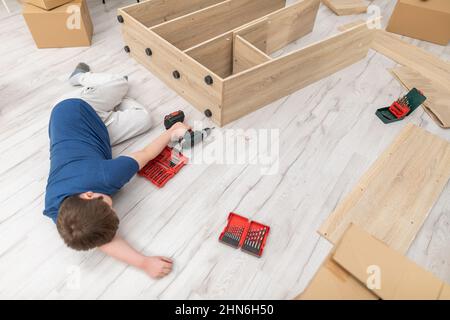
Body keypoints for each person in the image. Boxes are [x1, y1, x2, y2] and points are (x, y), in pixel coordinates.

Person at [44, 63, 190, 279]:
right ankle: (110, 100)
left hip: (74, 108)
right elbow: (102, 239)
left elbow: (148, 152)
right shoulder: (62, 214)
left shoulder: (107, 176)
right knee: (144, 119)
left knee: (120, 83)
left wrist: (172, 132)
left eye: (108, 206)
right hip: (96, 133)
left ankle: (81, 77)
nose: (113, 208)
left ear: (89, 194)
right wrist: (143, 262)